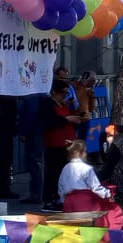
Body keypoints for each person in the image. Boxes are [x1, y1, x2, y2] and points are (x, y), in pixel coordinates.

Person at [40, 69, 84, 210]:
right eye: (62, 94)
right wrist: (67, 119)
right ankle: (49, 199)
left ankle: (61, 198)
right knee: (53, 173)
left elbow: (70, 117)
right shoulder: (48, 104)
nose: (64, 96)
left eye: (66, 93)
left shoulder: (65, 105)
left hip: (67, 143)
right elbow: (52, 122)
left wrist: (75, 118)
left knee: (65, 173)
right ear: (54, 93)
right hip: (54, 144)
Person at [59, 139, 115, 212]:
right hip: (84, 201)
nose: (86, 154)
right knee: (90, 220)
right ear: (80, 153)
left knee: (73, 222)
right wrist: (108, 194)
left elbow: (61, 187)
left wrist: (63, 200)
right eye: (85, 152)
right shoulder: (87, 168)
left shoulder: (65, 168)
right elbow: (95, 187)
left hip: (69, 202)